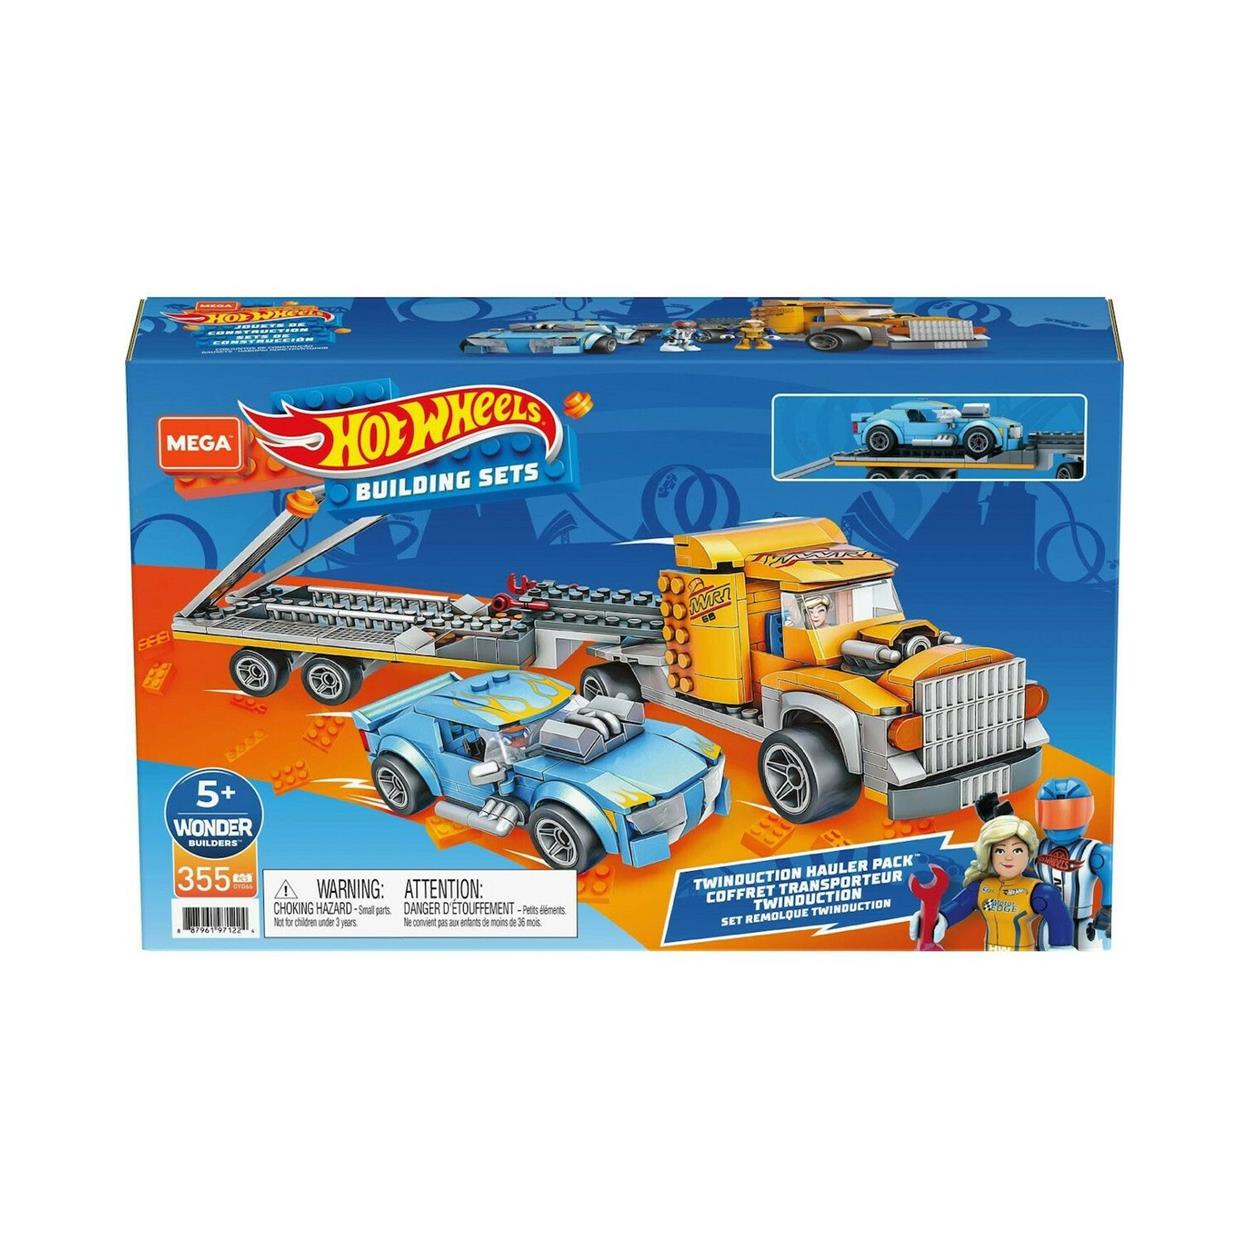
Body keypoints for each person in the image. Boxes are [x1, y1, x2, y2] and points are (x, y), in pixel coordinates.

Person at [909, 794, 1073, 951]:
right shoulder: (981, 888)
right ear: (989, 854)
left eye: (1017, 850)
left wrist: (1060, 947)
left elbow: (1059, 918)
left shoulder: (1038, 891)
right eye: (1000, 851)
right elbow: (959, 905)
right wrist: (934, 918)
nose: (1008, 857)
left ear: (1028, 853)